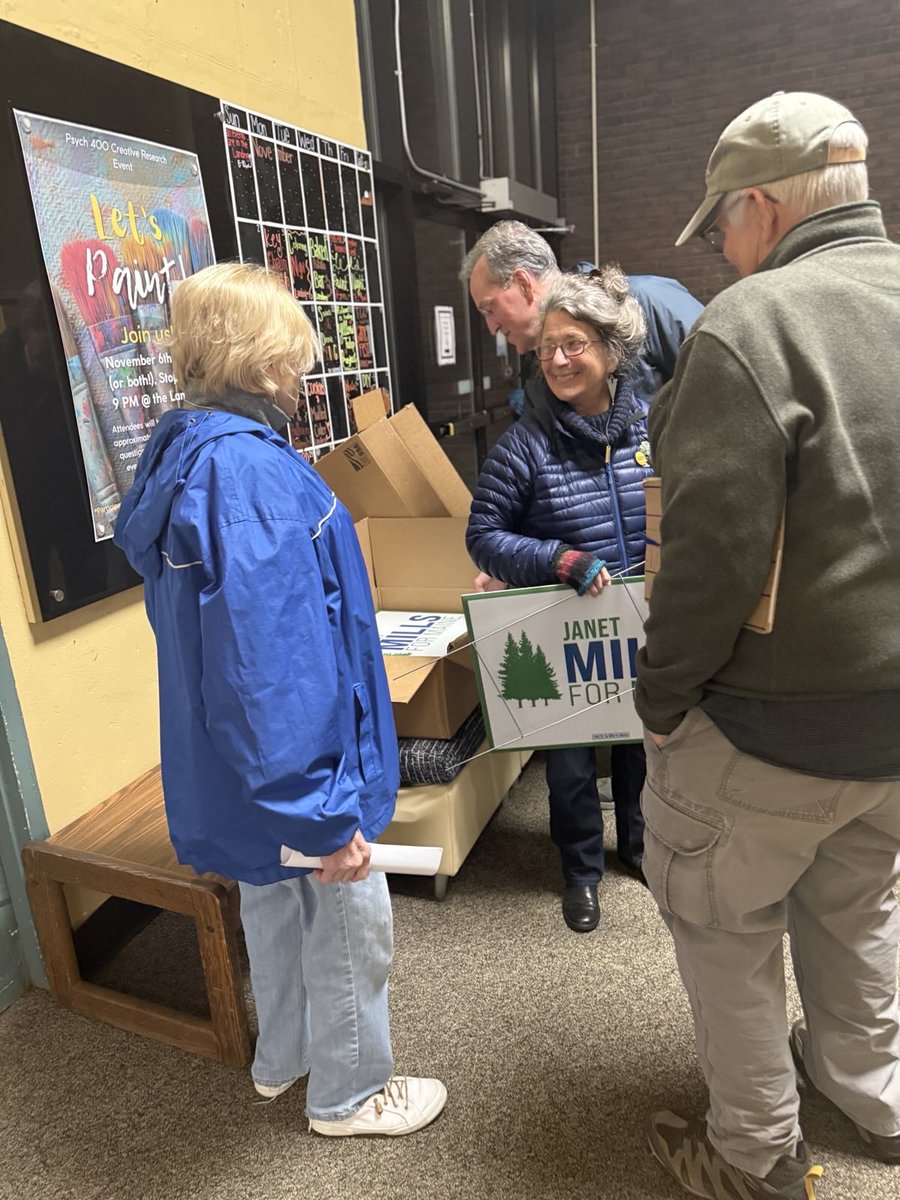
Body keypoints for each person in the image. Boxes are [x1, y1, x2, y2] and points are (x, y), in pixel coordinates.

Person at [635, 91, 900, 1200]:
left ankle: (753, 1159)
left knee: (726, 931)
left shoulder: (752, 326)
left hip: (762, 732)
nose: (722, 252)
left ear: (760, 205)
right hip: (892, 734)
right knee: (861, 905)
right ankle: (871, 1095)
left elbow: (710, 558)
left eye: (722, 227)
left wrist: (660, 697)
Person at [114, 262, 446, 1137]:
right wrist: (323, 813)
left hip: (238, 772)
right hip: (294, 771)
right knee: (346, 914)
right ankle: (348, 1093)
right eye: (293, 359)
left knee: (273, 896)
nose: (302, 377)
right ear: (260, 362)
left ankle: (286, 1060)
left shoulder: (188, 453)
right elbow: (272, 671)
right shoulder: (249, 480)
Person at [466, 267, 651, 933]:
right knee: (571, 768)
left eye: (573, 344)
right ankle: (580, 871)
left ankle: (636, 845)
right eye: (547, 348)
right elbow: (482, 536)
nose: (558, 360)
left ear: (611, 348)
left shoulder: (648, 432)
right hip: (565, 633)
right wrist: (556, 558)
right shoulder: (527, 445)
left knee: (640, 747)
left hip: (638, 624)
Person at [460, 218, 703, 411]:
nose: (491, 328)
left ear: (523, 283)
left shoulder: (649, 301)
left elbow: (726, 389)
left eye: (490, 309)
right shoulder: (535, 365)